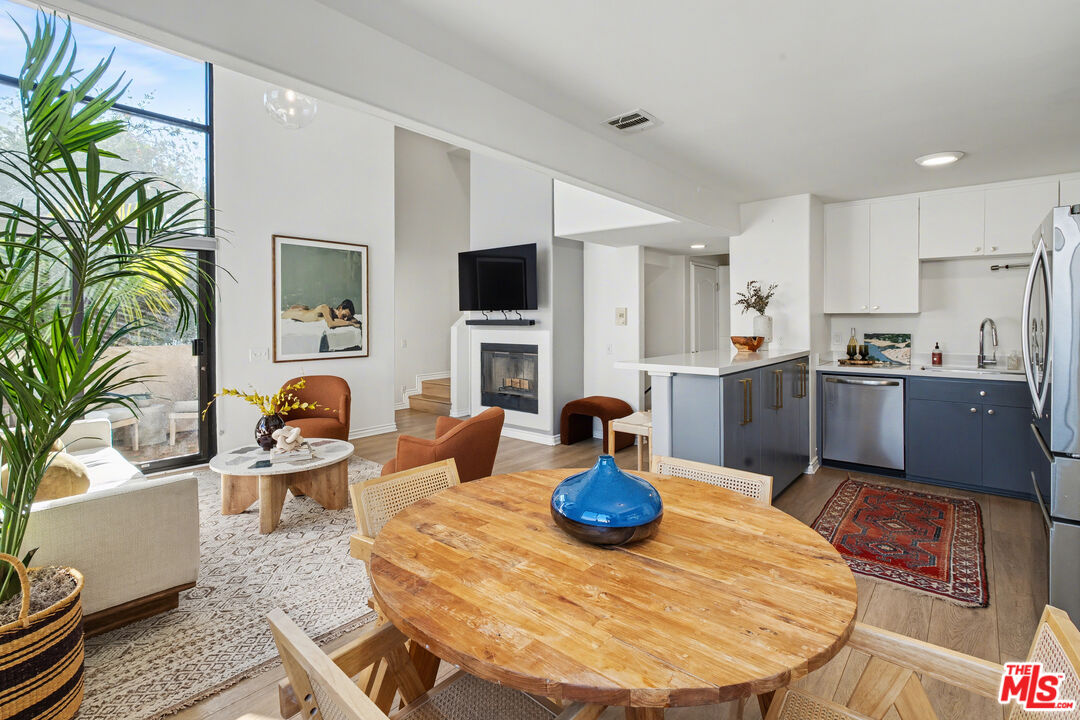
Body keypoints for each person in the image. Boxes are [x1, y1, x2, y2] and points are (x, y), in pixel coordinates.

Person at [281, 299, 360, 328]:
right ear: (340, 308)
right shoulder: (325, 308)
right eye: (344, 316)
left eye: (347, 318)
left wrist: (352, 320)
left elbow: (336, 320)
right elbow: (331, 324)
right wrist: (350, 323)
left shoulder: (334, 316)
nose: (345, 319)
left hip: (301, 313)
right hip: (291, 314)